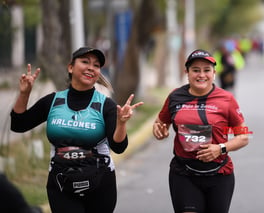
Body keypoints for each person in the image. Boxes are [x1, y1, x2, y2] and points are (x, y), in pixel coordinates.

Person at [10, 47, 143, 213]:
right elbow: (18, 124)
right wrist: (24, 93)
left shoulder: (105, 105)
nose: (90, 67)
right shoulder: (54, 101)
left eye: (96, 65)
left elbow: (119, 147)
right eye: (85, 62)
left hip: (100, 184)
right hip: (61, 184)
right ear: (70, 67)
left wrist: (121, 123)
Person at [153, 49, 249, 213]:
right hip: (184, 174)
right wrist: (159, 131)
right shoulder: (175, 97)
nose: (201, 75)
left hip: (219, 174)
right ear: (187, 72)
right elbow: (160, 122)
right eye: (195, 70)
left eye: (206, 70)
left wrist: (220, 148)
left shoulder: (227, 99)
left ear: (214, 72)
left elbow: (244, 137)